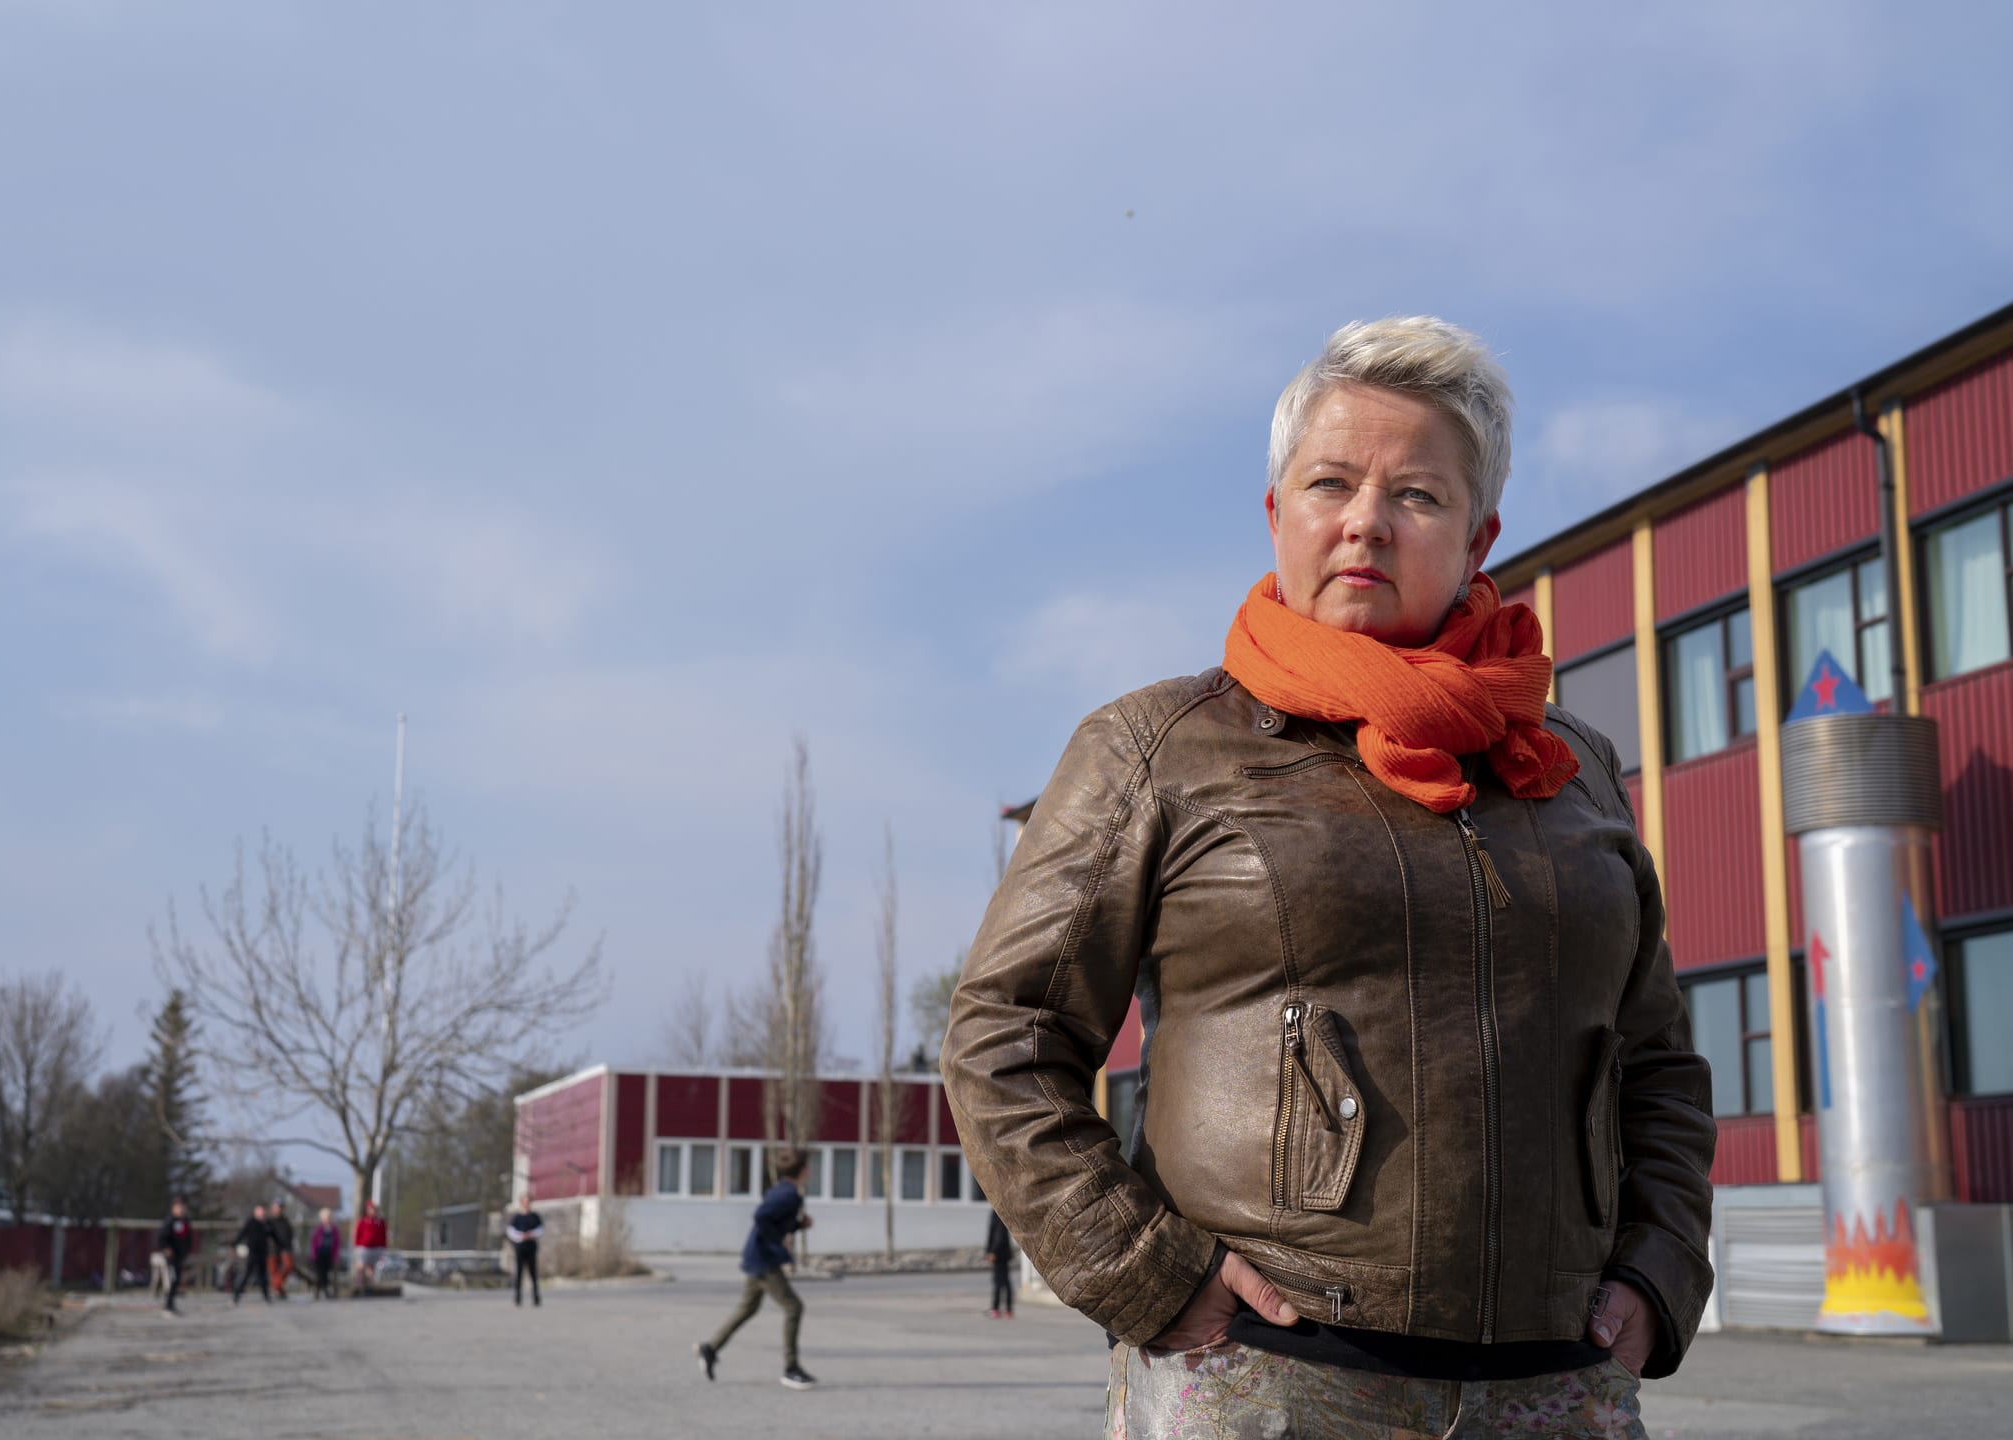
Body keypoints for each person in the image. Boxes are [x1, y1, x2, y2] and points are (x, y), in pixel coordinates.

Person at [942, 316, 1716, 1440]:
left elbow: (1657, 1066)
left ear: (1478, 537)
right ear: (1276, 513)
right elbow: (1005, 1034)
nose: (1365, 521)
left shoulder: (1574, 768)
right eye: (1330, 483)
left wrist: (1658, 1268)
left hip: (1558, 1384)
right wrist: (1147, 1274)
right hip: (1265, 1376)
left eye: (1417, 495)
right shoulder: (1159, 748)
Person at [695, 1150, 817, 1391]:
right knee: (793, 1307)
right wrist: (779, 1241)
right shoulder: (789, 1195)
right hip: (764, 1260)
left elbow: (775, 1221)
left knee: (748, 1307)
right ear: (804, 1171)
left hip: (757, 1256)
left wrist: (798, 1225)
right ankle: (791, 1368)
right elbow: (762, 1217)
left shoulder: (781, 1190)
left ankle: (710, 1348)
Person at [155, 1196, 194, 1314]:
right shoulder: (169, 1221)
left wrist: (186, 1251)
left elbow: (188, 1238)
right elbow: (160, 1238)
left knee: (176, 1280)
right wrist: (166, 1249)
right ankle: (167, 1305)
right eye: (178, 1207)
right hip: (170, 1257)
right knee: (172, 1279)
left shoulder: (185, 1221)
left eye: (182, 1206)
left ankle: (171, 1304)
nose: (181, 1209)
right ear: (173, 1208)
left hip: (180, 1256)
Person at [231, 1203, 274, 1305]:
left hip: (262, 1253)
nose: (262, 1213)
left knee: (263, 1276)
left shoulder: (266, 1224)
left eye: (263, 1211)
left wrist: (282, 1245)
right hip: (252, 1253)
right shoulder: (251, 1222)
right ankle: (236, 1296)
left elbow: (274, 1236)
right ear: (255, 1212)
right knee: (246, 1275)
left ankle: (267, 1297)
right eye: (260, 1211)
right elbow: (242, 1233)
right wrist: (234, 1243)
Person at [506, 1193, 544, 1308]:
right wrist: (520, 1236)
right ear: (521, 1203)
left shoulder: (534, 1216)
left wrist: (531, 1234)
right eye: (525, 1202)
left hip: (531, 1246)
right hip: (520, 1247)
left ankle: (536, 1297)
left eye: (528, 1202)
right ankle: (517, 1297)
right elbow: (510, 1231)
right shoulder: (517, 1217)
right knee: (519, 1272)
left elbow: (540, 1229)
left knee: (533, 1272)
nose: (527, 1204)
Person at [351, 1198, 389, 1296]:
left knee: (370, 1268)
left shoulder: (380, 1222)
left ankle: (369, 1289)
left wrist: (383, 1247)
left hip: (376, 1248)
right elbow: (357, 1234)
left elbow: (383, 1235)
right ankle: (357, 1288)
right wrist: (356, 1246)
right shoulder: (363, 1221)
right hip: (363, 1248)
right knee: (360, 1268)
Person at [984, 1208, 1016, 1319]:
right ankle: (1008, 1309)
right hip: (1003, 1252)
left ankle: (996, 1308)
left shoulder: (997, 1211)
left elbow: (999, 1234)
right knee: (1005, 1281)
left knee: (999, 1281)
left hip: (999, 1253)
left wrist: (993, 1251)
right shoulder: (1000, 1210)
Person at [309, 1207, 342, 1300]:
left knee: (328, 1273)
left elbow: (337, 1243)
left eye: (329, 1217)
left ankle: (327, 1290)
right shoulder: (318, 1229)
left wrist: (336, 1256)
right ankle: (319, 1290)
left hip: (329, 1254)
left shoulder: (334, 1230)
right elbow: (313, 1243)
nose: (328, 1219)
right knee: (320, 1273)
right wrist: (313, 1254)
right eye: (326, 1217)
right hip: (319, 1255)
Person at [267, 1202, 295, 1299]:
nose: (278, 1209)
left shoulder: (285, 1221)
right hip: (272, 1249)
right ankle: (279, 1289)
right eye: (276, 1207)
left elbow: (290, 1234)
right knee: (273, 1271)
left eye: (279, 1207)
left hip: (285, 1248)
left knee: (288, 1266)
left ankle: (276, 1286)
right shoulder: (269, 1222)